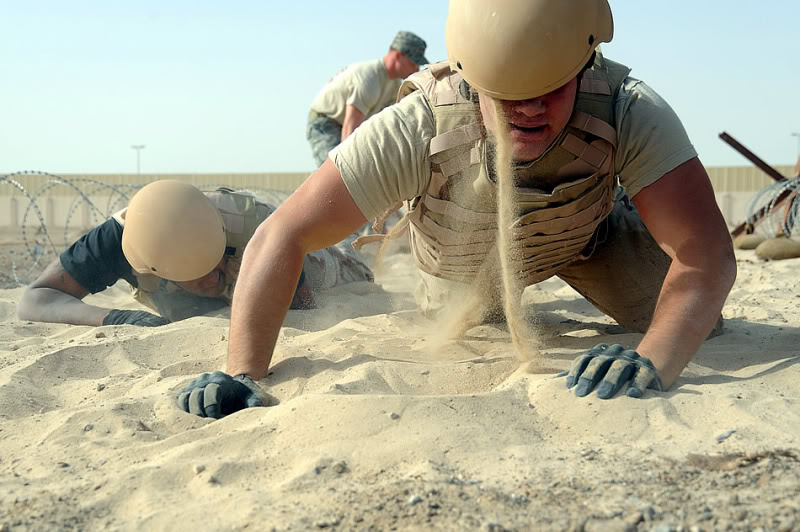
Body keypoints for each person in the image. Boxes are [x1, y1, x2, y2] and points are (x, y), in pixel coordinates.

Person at [178, 0, 736, 418]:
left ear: (586, 63)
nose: (530, 110)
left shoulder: (628, 108)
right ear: (472, 76)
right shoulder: (420, 123)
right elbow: (284, 233)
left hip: (585, 241)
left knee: (693, 327)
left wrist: (655, 360)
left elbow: (705, 252)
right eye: (509, 94)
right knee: (471, 318)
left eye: (550, 88)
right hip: (460, 270)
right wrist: (242, 370)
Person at [17, 180, 373, 327]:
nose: (212, 274)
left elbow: (304, 307)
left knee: (345, 265)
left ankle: (367, 237)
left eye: (218, 264)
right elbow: (36, 299)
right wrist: (117, 319)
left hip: (296, 251)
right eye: (201, 275)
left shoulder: (254, 224)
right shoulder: (119, 241)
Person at [306, 30, 428, 168]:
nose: (417, 68)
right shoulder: (369, 78)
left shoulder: (394, 87)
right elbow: (350, 129)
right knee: (336, 171)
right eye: (414, 63)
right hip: (326, 123)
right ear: (399, 56)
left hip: (347, 126)